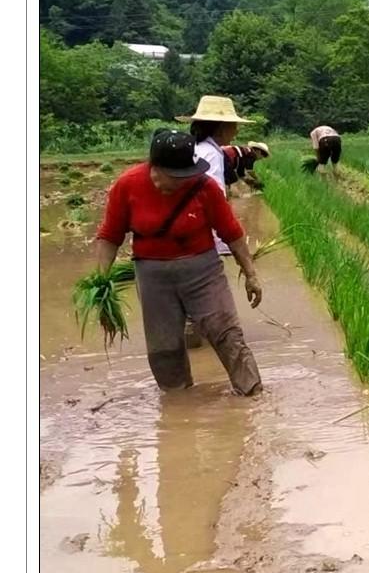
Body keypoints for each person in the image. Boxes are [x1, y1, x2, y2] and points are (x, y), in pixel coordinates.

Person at [93, 129, 264, 396]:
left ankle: (253, 395)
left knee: (226, 333)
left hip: (203, 271)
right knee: (164, 348)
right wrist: (101, 282)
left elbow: (231, 232)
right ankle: (178, 405)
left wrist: (251, 274)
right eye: (167, 176)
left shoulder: (203, 186)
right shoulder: (127, 185)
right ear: (154, 166)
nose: (173, 184)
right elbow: (110, 235)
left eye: (180, 177)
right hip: (153, 276)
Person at [178, 96, 269, 348]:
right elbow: (213, 200)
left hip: (179, 235)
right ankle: (205, 351)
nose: (237, 129)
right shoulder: (212, 154)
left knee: (187, 295)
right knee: (208, 298)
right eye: (233, 124)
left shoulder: (192, 148)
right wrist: (225, 244)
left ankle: (191, 351)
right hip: (199, 236)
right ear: (220, 127)